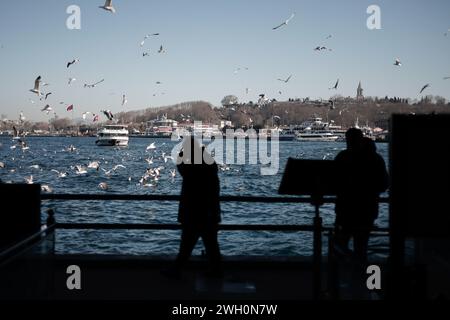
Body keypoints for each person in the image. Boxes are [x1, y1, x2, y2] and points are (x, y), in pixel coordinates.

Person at [163, 135, 222, 278]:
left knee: (187, 244)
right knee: (211, 244)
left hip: (192, 211)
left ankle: (177, 270)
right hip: (209, 211)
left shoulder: (190, 170)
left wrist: (184, 152)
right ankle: (216, 271)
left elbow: (181, 166)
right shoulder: (209, 167)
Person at [334, 129, 389, 262]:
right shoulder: (376, 159)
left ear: (348, 140)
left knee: (339, 244)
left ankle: (338, 274)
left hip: (345, 207)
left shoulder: (342, 157)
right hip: (368, 208)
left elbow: (333, 182)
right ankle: (360, 272)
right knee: (362, 245)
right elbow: (384, 184)